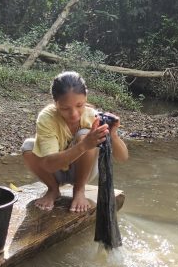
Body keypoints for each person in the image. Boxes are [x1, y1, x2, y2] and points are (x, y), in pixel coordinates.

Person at [21, 71, 129, 212]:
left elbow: (123, 157)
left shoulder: (93, 116)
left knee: (85, 134)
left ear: (86, 98)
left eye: (80, 105)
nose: (74, 114)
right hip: (55, 171)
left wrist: (113, 135)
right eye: (65, 108)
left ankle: (79, 190)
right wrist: (84, 146)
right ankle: (53, 189)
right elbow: (49, 165)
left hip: (83, 172)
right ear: (55, 103)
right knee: (28, 146)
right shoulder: (46, 118)